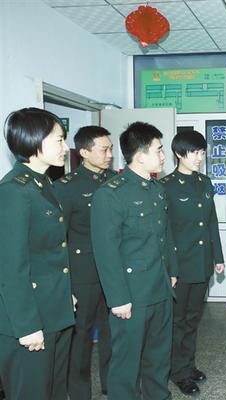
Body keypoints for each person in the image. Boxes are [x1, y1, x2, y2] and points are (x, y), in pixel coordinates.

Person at [90, 122, 178, 399]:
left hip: (160, 287)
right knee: (126, 366)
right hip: (131, 294)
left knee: (158, 359)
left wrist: (172, 272)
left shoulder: (156, 189)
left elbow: (165, 235)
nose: (163, 156)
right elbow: (106, 252)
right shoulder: (111, 193)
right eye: (158, 150)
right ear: (139, 156)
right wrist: (117, 299)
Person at [0, 107, 75, 399]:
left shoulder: (42, 183)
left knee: (55, 392)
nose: (66, 148)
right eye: (59, 140)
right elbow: (10, 267)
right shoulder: (13, 191)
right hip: (29, 320)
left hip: (54, 310)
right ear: (33, 141)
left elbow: (49, 252)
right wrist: (27, 326)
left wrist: (65, 293)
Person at [160, 130, 225, 397]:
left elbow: (211, 221)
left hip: (202, 262)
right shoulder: (165, 186)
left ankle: (188, 364)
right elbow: (165, 232)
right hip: (180, 266)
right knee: (178, 321)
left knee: (192, 319)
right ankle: (178, 373)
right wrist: (171, 268)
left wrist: (218, 256)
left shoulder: (204, 182)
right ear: (178, 153)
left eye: (201, 152)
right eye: (194, 152)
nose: (199, 157)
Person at [53, 126, 115, 399]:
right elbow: (59, 238)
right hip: (83, 275)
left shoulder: (115, 181)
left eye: (111, 148)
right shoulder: (66, 187)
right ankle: (79, 393)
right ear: (84, 152)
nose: (110, 154)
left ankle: (113, 386)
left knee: (114, 333)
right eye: (104, 149)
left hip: (113, 274)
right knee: (81, 339)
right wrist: (65, 283)